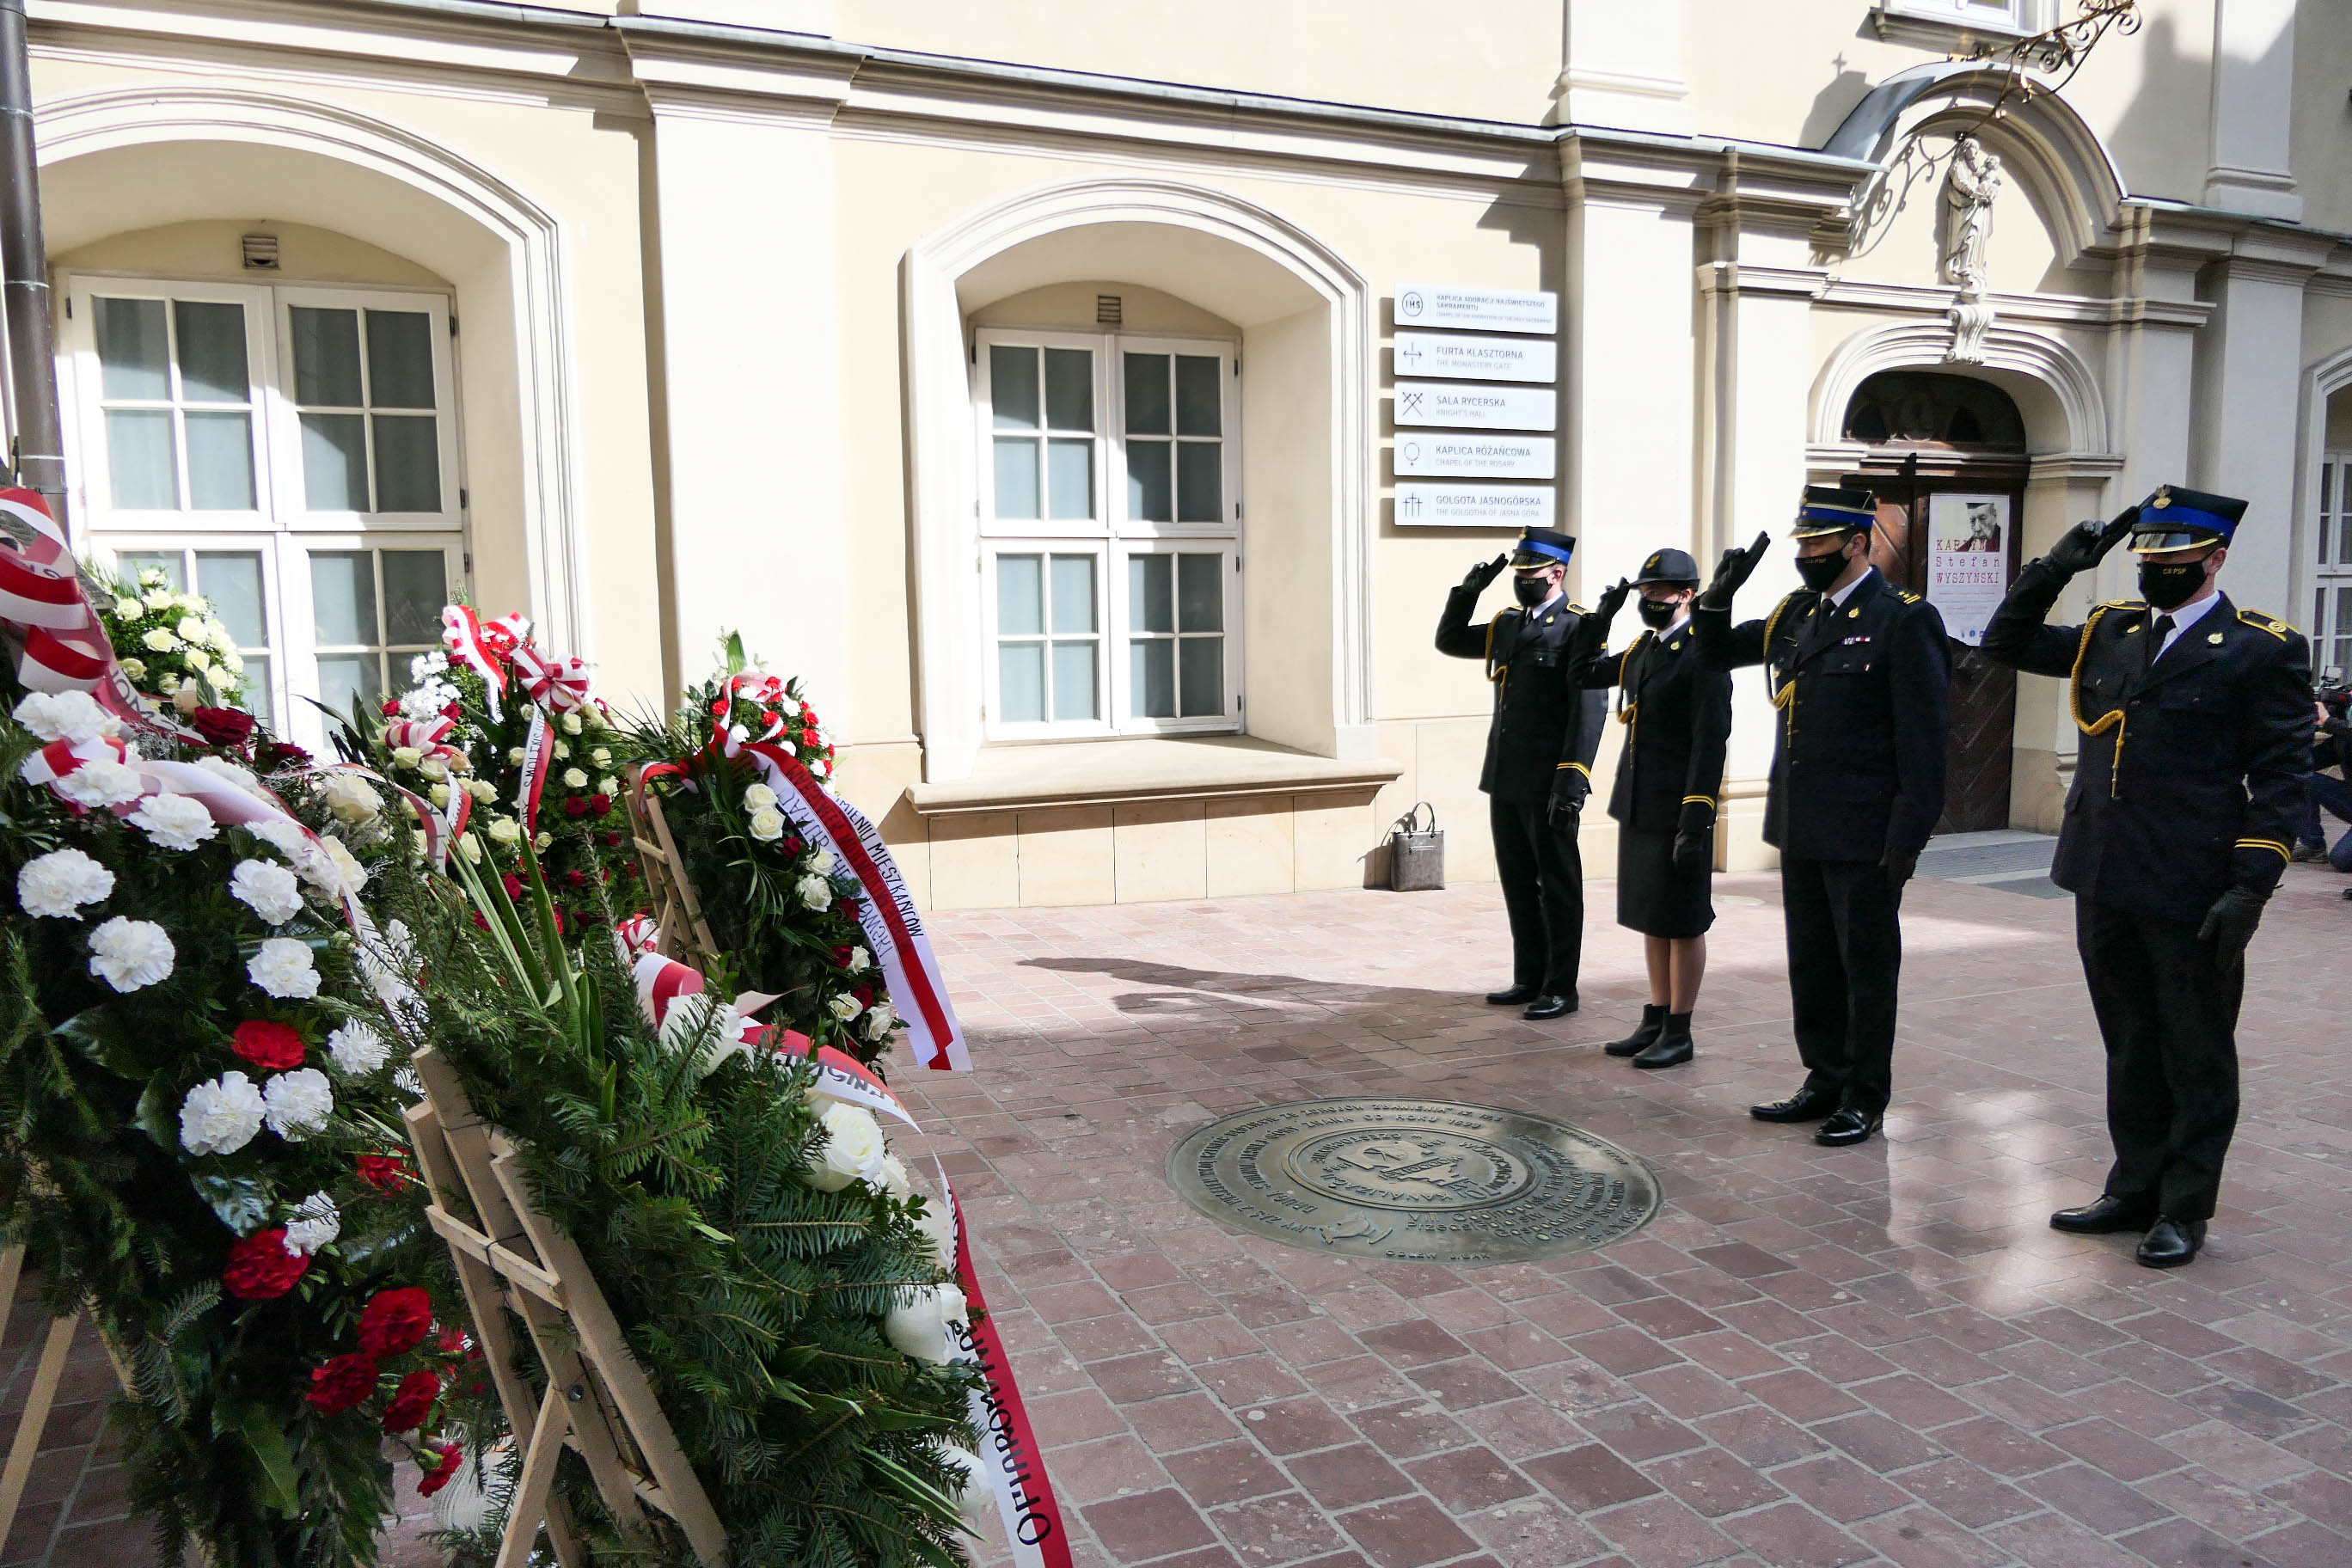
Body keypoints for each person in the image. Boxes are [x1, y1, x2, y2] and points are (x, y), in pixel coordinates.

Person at [1980, 486, 2312, 1268]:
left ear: (2213, 560)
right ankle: (2133, 1188)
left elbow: (2283, 776)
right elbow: (2004, 643)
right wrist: (2058, 565)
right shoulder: (2112, 631)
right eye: (2147, 558)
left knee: (2195, 1050)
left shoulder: (2263, 648)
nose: (2155, 570)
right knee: (2129, 1042)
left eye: (2174, 559)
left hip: (2195, 884)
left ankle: (2184, 1209)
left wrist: (2251, 885)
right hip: (2105, 872)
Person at [1691, 487, 1951, 1148]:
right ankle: (1823, 1077)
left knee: (1865, 969)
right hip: (1803, 822)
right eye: (1802, 544)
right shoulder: (1798, 614)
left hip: (1866, 833)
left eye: (1818, 544)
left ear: (1857, 543)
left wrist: (1907, 841)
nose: (1806, 555)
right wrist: (1717, 597)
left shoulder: (1903, 619)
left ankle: (1865, 1095)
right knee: (1811, 960)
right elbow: (1714, 651)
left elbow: (1924, 744)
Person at [1564, 548, 1732, 1069]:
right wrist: (1601, 617)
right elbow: (1580, 673)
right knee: (1652, 917)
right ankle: (1656, 1016)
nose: (1650, 599)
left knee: (1683, 922)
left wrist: (1696, 816)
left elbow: (1711, 741)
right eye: (1645, 591)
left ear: (1687, 595)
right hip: (1639, 804)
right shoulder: (1644, 649)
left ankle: (1680, 1029)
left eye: (1659, 591)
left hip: (1679, 808)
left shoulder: (1702, 652)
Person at [1435, 527, 1608, 1020]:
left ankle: (1561, 986)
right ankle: (1528, 976)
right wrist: (1467, 593)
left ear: (1557, 573)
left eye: (1531, 573)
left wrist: (1572, 779)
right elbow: (1449, 641)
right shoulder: (1507, 624)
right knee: (1517, 880)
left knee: (1557, 885)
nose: (1522, 580)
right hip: (1506, 776)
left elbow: (1588, 711)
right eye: (1518, 573)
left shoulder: (1580, 627)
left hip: (1550, 780)